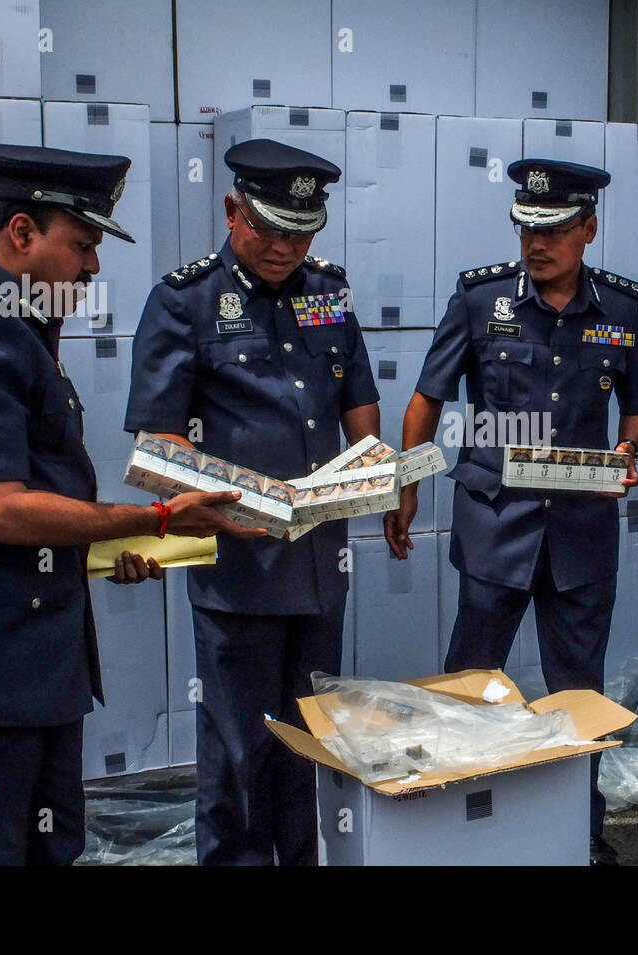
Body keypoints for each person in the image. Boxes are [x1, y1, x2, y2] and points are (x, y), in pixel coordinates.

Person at [0, 143, 254, 865]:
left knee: (49, 846)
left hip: (25, 653)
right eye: (83, 244)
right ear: (22, 232)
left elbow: (32, 494)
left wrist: (112, 547)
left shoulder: (15, 321)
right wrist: (158, 518)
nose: (93, 267)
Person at [383, 159, 638, 865]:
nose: (537, 244)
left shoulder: (621, 310)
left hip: (580, 532)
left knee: (578, 690)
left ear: (588, 229)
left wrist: (626, 449)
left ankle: (578, 831)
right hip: (495, 523)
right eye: (527, 229)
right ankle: (453, 819)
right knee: (471, 682)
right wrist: (407, 486)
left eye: (555, 231)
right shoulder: (480, 300)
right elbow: (427, 398)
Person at [124, 139, 380, 866]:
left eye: (300, 234)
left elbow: (358, 397)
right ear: (233, 210)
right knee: (239, 749)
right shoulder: (185, 300)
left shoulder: (328, 290)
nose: (283, 248)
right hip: (238, 567)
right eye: (268, 229)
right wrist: (229, 497)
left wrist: (376, 468)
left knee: (307, 738)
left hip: (320, 563)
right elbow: (159, 439)